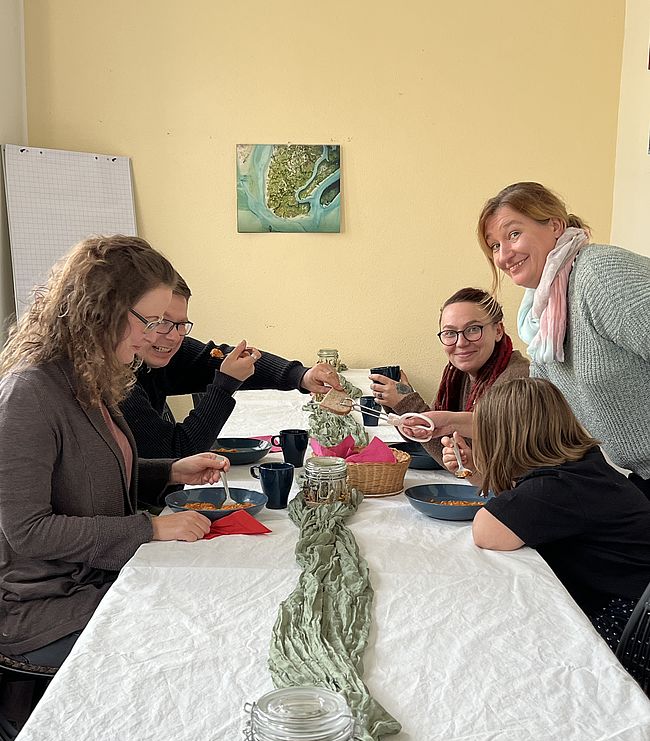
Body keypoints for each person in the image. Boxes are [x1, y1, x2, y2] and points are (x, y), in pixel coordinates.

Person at [0, 236, 229, 668]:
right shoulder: (28, 394)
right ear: (102, 309)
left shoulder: (87, 377)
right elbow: (28, 532)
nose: (155, 335)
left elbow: (85, 477)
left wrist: (170, 471)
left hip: (97, 577)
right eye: (151, 319)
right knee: (196, 642)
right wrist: (150, 530)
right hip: (43, 608)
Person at [442, 378, 650, 653]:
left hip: (630, 625)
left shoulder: (557, 488)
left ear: (505, 441)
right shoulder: (581, 464)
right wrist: (478, 473)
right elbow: (519, 502)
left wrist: (485, 466)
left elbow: (487, 531)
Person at [477, 181, 650, 498]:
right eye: (495, 245)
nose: (503, 255)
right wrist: (459, 426)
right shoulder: (541, 311)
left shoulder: (599, 273)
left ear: (555, 225)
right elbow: (536, 409)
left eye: (513, 234)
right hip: (638, 478)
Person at [121, 275, 343, 459]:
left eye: (181, 325)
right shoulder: (118, 382)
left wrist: (301, 376)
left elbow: (225, 358)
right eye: (159, 322)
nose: (173, 336)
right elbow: (177, 452)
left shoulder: (158, 350)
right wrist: (224, 386)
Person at [370, 288, 528, 467]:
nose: (461, 342)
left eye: (473, 329)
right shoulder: (455, 376)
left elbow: (468, 463)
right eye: (450, 333)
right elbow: (445, 449)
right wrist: (400, 407)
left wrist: (406, 403)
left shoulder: (518, 381)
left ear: (498, 330)